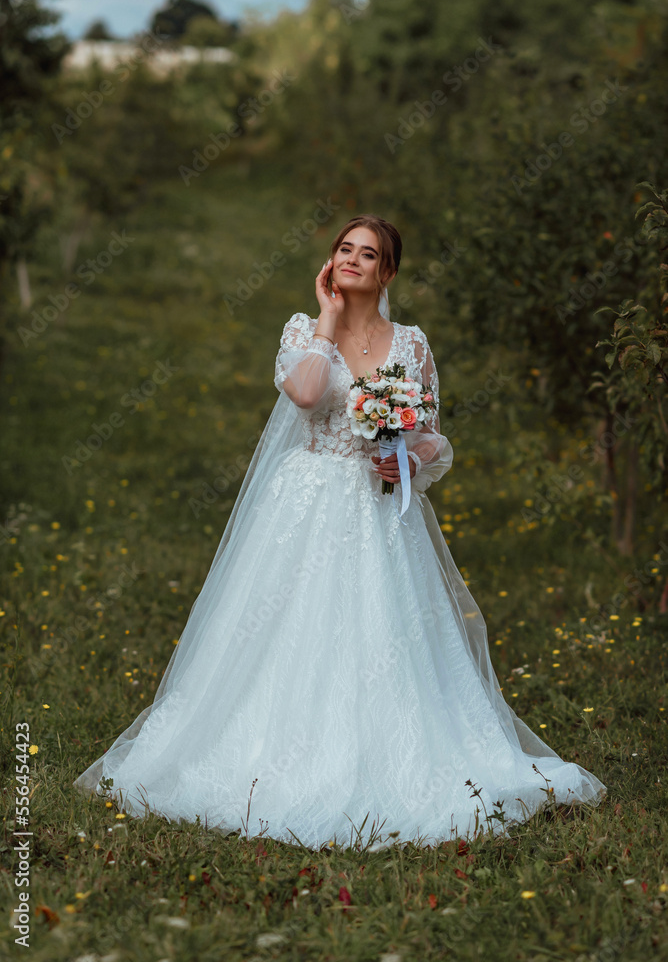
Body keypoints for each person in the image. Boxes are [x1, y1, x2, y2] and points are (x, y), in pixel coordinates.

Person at [73, 213, 607, 851]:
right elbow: (304, 393)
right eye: (344, 250)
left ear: (388, 271)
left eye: (369, 253)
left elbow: (433, 433)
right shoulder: (303, 331)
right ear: (331, 262)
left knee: (384, 632)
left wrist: (407, 456)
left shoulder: (411, 345)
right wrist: (326, 315)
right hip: (305, 502)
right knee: (286, 628)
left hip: (378, 507)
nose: (353, 260)